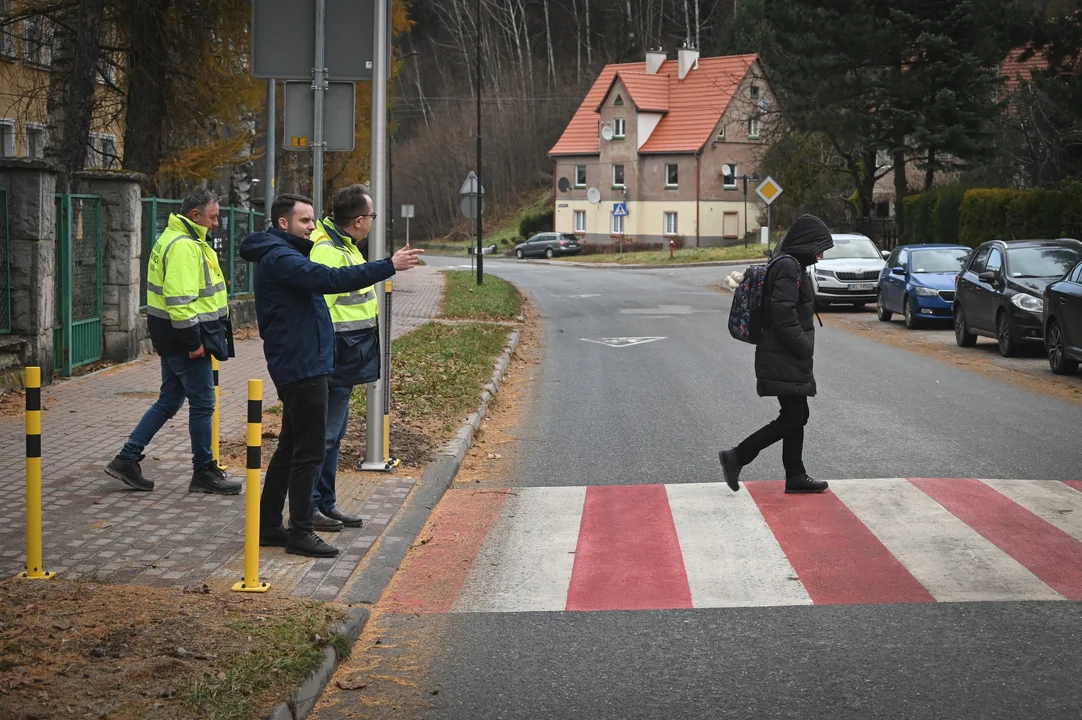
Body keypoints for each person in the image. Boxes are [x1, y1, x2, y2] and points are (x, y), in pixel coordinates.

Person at [238, 194, 423, 558]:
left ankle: (269, 525)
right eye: (305, 221)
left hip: (306, 362)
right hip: (302, 365)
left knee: (291, 447)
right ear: (283, 224)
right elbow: (331, 279)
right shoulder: (282, 258)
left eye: (312, 220)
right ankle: (301, 530)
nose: (312, 227)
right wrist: (389, 265)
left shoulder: (286, 254)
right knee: (307, 452)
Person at [105, 188, 240, 495]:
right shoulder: (183, 246)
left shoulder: (177, 239)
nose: (216, 223)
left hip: (174, 336)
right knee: (204, 404)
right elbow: (180, 302)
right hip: (187, 339)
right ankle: (204, 471)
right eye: (213, 216)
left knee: (169, 401)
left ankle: (126, 459)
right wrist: (194, 342)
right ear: (195, 215)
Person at [719, 214, 834, 494]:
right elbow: (783, 314)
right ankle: (737, 456)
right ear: (806, 244)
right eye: (818, 247)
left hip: (784, 353)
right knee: (793, 417)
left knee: (797, 414)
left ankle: (795, 475)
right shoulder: (788, 268)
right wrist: (803, 347)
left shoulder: (788, 264)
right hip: (784, 354)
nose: (820, 255)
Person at [308, 184, 387, 532]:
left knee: (334, 435)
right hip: (335, 357)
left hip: (348, 354)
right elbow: (317, 310)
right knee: (324, 436)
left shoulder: (347, 247)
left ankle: (326, 503)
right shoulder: (329, 252)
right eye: (371, 216)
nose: (372, 221)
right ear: (358, 220)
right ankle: (310, 507)